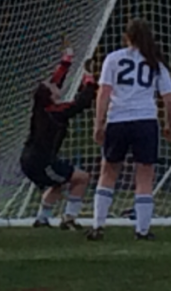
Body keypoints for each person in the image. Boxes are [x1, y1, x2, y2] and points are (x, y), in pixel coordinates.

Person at [88, 19, 171, 241]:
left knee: (108, 171)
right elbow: (169, 98)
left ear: (127, 36)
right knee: (144, 175)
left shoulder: (114, 58)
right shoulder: (155, 62)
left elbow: (104, 93)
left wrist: (98, 123)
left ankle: (98, 225)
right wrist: (169, 124)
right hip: (145, 121)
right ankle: (142, 230)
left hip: (118, 120)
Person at [23, 49, 98, 229]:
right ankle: (69, 218)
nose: (56, 86)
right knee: (82, 178)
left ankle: (42, 219)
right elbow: (82, 103)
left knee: (58, 183)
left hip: (28, 159)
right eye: (53, 88)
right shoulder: (56, 113)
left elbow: (55, 81)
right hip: (41, 162)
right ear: (51, 96)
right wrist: (89, 79)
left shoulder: (41, 108)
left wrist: (66, 61)